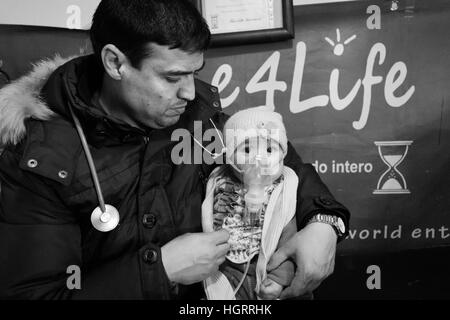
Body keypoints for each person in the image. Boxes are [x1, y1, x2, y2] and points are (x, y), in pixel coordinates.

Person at [0, 0, 350, 299]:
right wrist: (161, 269)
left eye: (194, 73)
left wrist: (325, 223)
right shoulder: (38, 157)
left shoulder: (202, 118)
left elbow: (280, 161)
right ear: (115, 63)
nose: (189, 92)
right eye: (171, 78)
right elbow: (37, 294)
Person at [202, 107, 298, 300]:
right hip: (225, 267)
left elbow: (288, 237)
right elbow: (207, 219)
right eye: (246, 150)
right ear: (230, 156)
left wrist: (279, 277)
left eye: (270, 149)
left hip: (268, 266)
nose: (258, 160)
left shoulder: (283, 187)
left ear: (282, 155)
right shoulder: (218, 180)